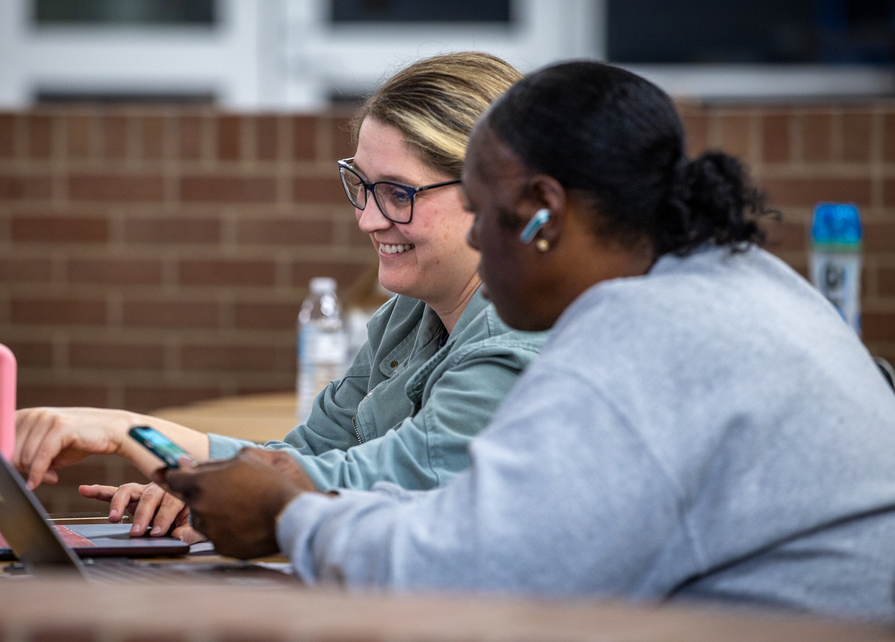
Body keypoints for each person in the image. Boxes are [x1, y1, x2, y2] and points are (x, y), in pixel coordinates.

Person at [157, 61, 895, 622]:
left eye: (482, 211)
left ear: (544, 213)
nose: (477, 237)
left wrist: (290, 516)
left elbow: (478, 564)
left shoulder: (642, 338)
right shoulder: (738, 279)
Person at [0, 52, 549, 542]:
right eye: (361, 185)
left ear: (491, 191)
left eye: (399, 194)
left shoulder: (512, 336)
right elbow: (307, 454)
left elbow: (391, 475)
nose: (368, 220)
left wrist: (132, 435)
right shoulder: (407, 318)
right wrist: (178, 471)